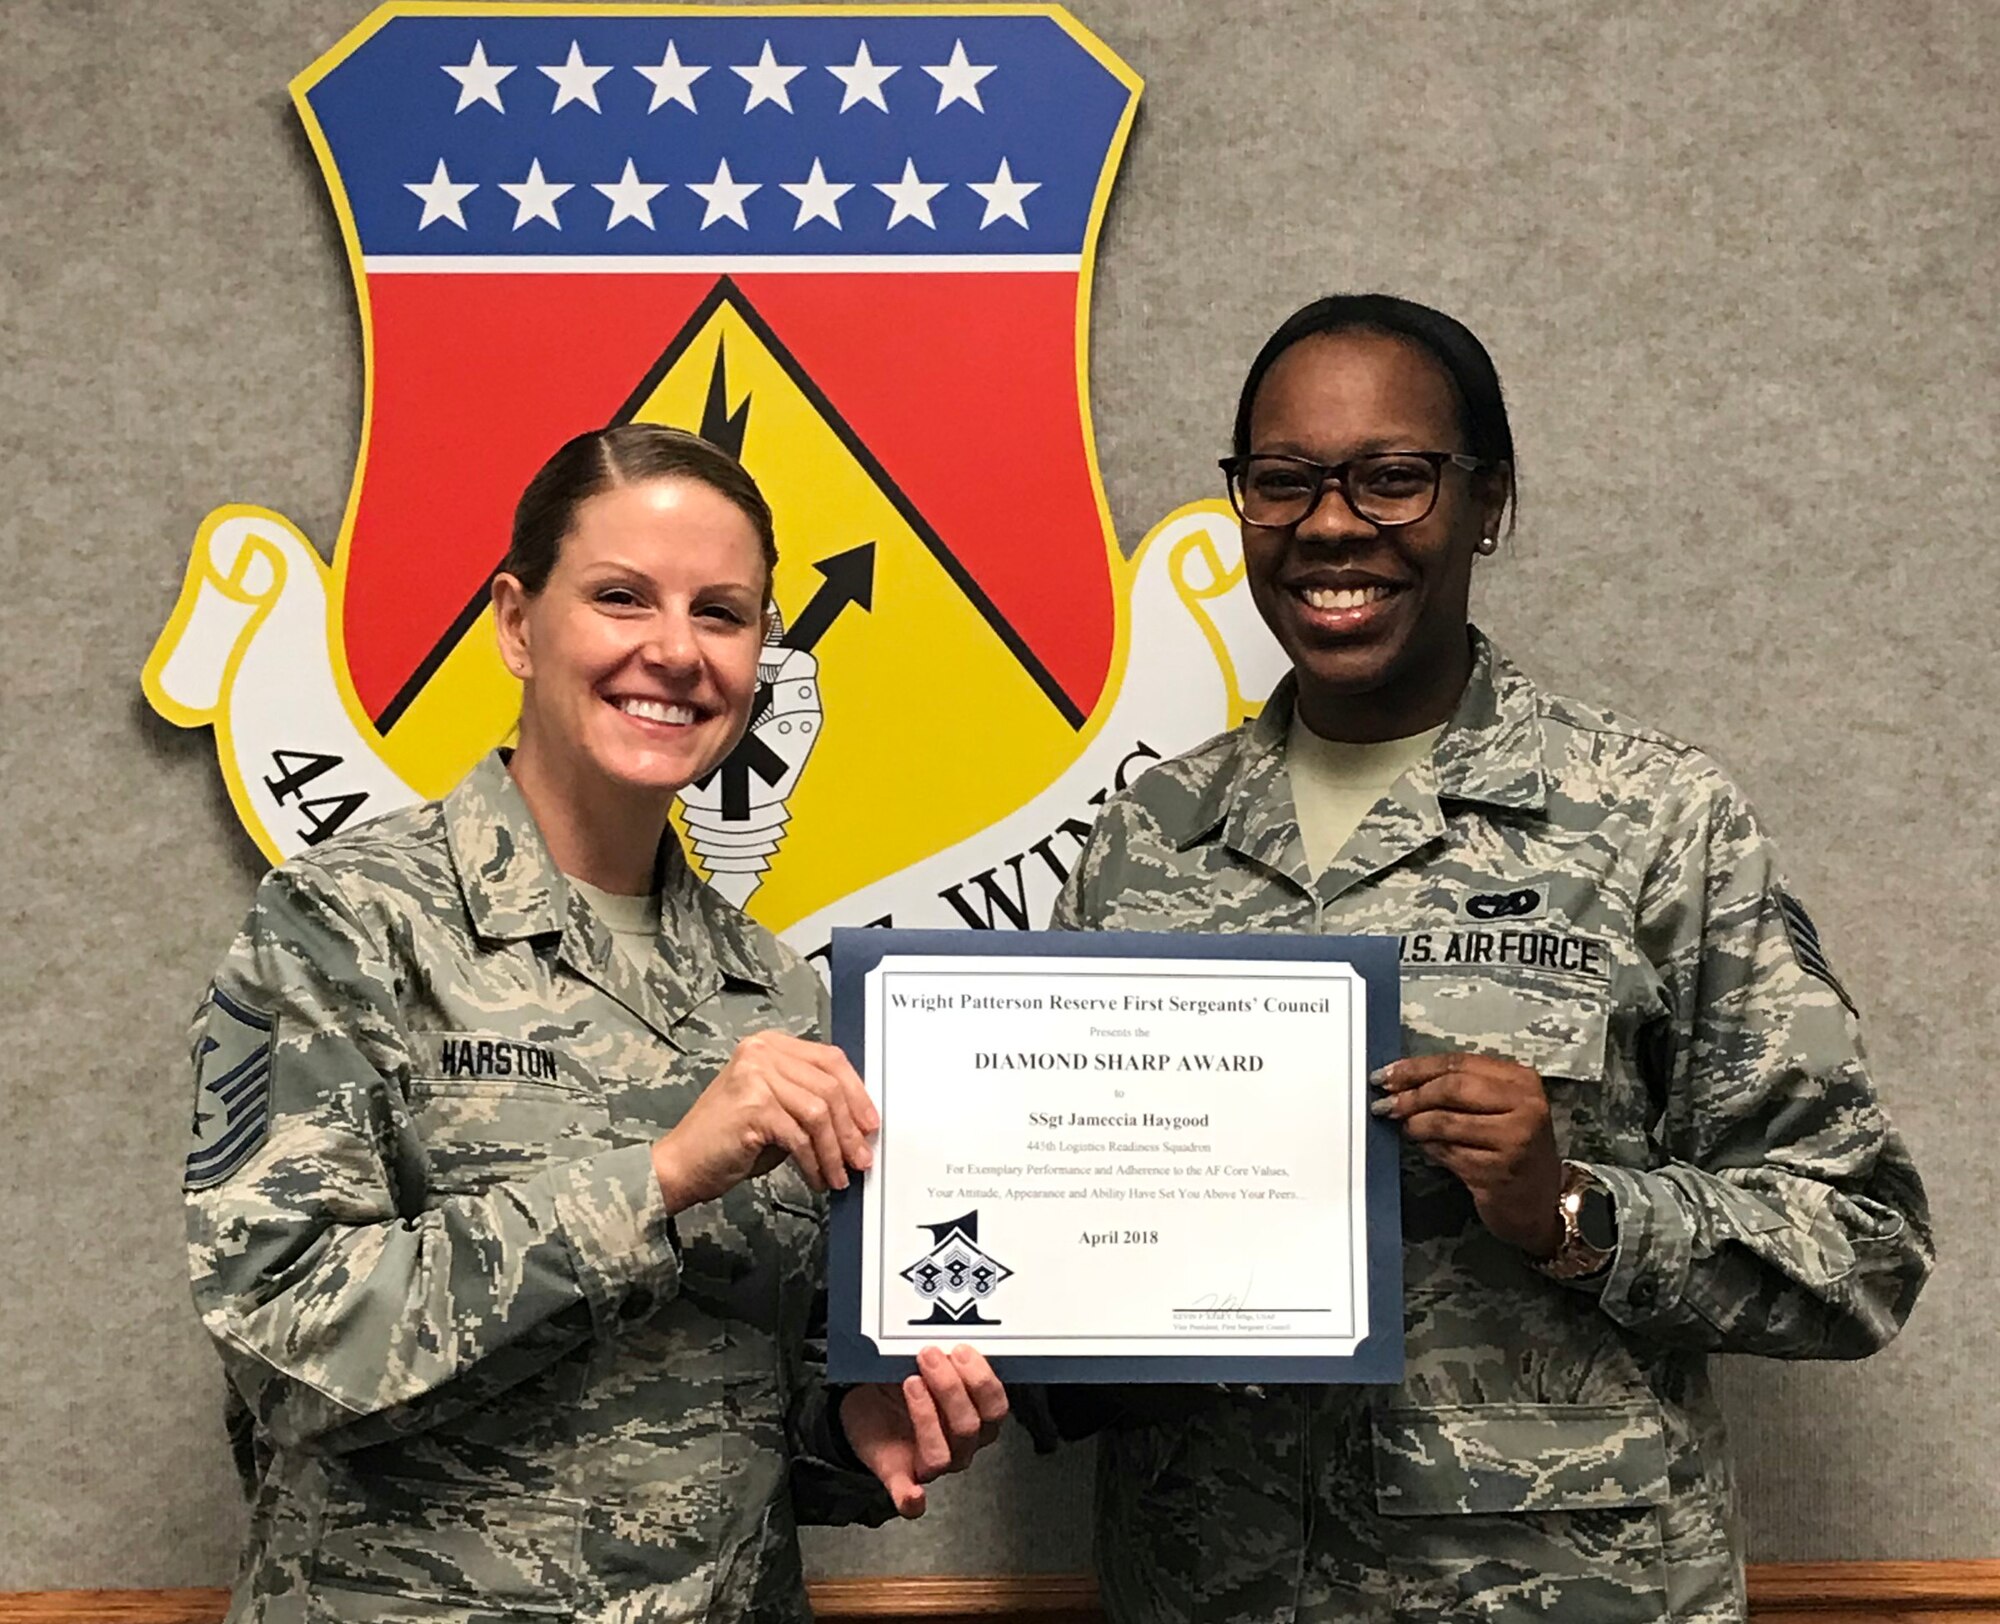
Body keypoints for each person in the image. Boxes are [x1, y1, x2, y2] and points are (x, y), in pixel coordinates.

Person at [1044, 295, 1932, 1623]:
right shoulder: (1147, 838)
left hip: (1554, 1589)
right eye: (1283, 481)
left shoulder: (1651, 819)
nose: (1333, 524)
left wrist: (1570, 1209)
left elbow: (1863, 1246)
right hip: (1213, 1584)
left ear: (1488, 502)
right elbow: (1067, 1216)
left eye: (1394, 478)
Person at [182, 424, 1008, 1624]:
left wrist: (855, 1426)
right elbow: (285, 1352)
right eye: (622, 598)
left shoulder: (774, 994)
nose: (673, 652)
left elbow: (736, 1400)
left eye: (721, 614)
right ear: (518, 622)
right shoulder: (342, 929)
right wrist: (663, 1174)